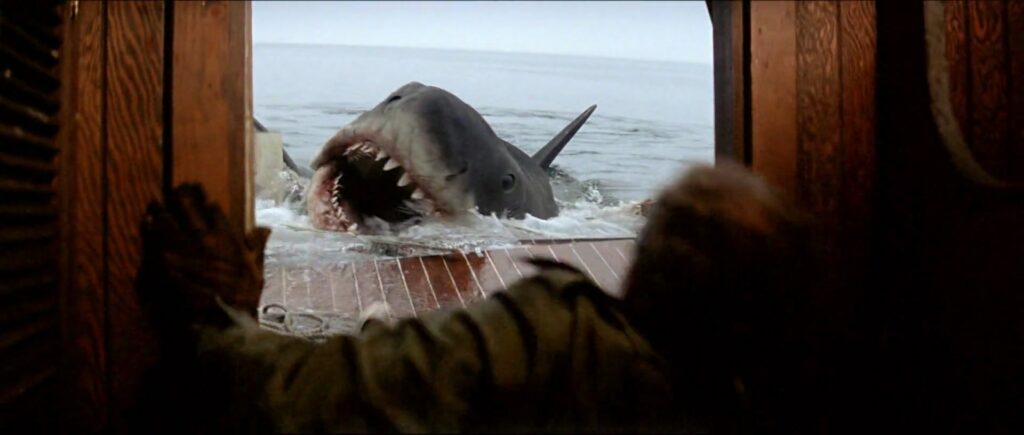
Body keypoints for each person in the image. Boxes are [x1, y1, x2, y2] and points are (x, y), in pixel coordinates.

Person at [136, 162, 816, 433]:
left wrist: (216, 316)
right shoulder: (744, 398)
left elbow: (308, 396)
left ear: (650, 264)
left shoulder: (560, 337)